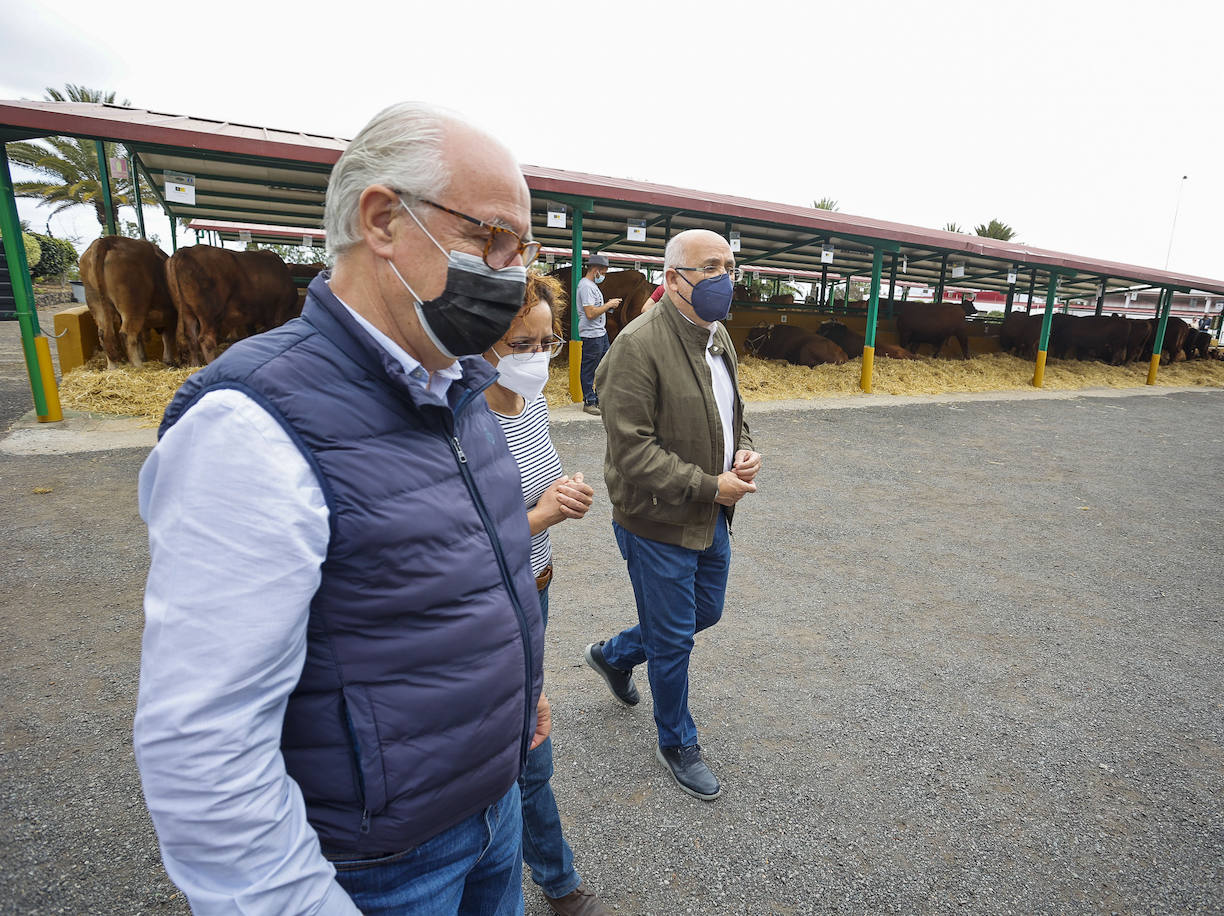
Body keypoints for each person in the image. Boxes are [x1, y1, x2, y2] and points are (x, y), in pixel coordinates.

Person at [134, 102, 549, 915]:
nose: (508, 272)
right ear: (384, 220)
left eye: (519, 249)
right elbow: (205, 743)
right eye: (489, 237)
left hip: (492, 815)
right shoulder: (251, 425)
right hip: (382, 868)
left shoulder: (461, 386)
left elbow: (464, 581)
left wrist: (518, 682)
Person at [583, 229, 762, 801]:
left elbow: (731, 410)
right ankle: (677, 741)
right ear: (672, 279)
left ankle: (613, 655)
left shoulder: (718, 336)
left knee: (702, 613)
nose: (723, 278)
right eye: (710, 267)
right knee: (674, 639)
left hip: (711, 513)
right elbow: (632, 452)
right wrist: (711, 486)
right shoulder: (635, 347)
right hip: (657, 522)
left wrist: (744, 448)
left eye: (729, 266)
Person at [482, 274, 608, 916]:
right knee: (531, 741)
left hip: (537, 583)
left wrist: (566, 492)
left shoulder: (528, 401)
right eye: (519, 342)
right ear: (483, 341)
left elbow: (542, 480)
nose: (535, 356)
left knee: (528, 730)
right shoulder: (463, 413)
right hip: (493, 596)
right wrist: (545, 514)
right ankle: (559, 884)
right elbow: (464, 539)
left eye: (546, 342)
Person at [576, 254, 620, 415]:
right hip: (592, 334)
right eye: (603, 272)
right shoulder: (586, 286)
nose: (604, 275)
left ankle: (599, 398)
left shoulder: (592, 285)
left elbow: (595, 309)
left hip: (600, 333)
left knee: (604, 366)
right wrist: (609, 304)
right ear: (595, 270)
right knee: (589, 368)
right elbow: (590, 313)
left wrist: (608, 306)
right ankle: (589, 401)